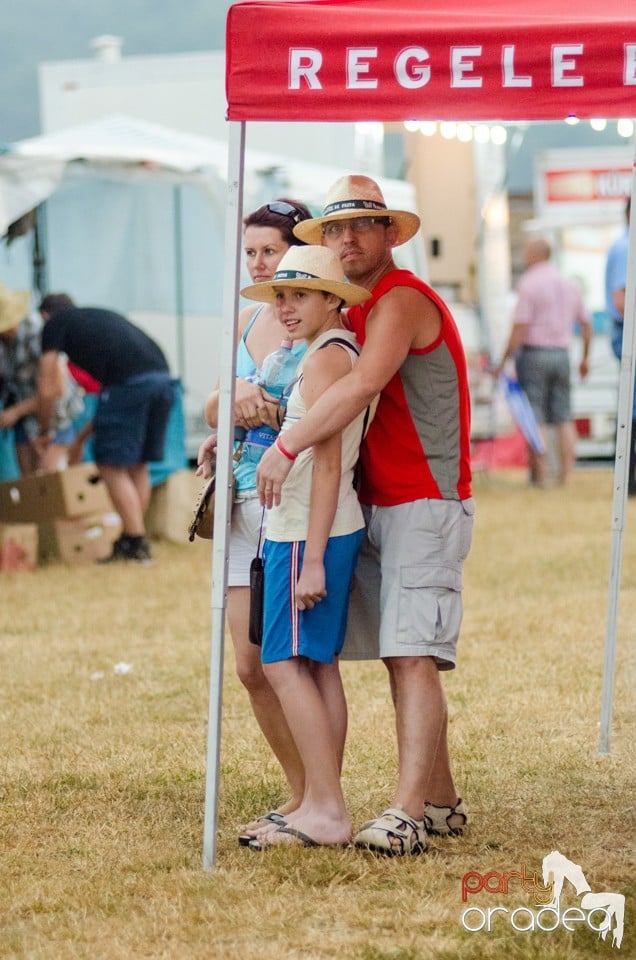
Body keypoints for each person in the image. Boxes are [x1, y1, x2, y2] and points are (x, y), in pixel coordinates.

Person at [256, 175, 474, 856]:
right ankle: (438, 802)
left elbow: (362, 384)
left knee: (412, 655)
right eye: (334, 229)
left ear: (389, 235)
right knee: (398, 656)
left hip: (423, 500)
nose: (347, 239)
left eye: (362, 226)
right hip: (373, 501)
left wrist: (287, 445)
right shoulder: (351, 311)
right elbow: (284, 354)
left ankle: (406, 813)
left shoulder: (401, 299)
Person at [240, 244, 373, 849]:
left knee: (281, 664)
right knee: (316, 667)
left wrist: (314, 558)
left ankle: (326, 809)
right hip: (301, 528)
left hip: (305, 532)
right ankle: (322, 801)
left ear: (330, 299)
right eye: (281, 296)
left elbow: (327, 466)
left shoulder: (327, 357)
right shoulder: (321, 352)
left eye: (299, 295)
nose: (286, 307)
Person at [197, 199, 312, 841]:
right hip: (240, 502)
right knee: (248, 664)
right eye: (251, 252)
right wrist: (232, 398)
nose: (260, 263)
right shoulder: (247, 320)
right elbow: (214, 397)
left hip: (294, 502)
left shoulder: (318, 317)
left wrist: (260, 405)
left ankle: (320, 794)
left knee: (290, 660)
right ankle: (301, 793)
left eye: (270, 251)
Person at [37, 293, 174, 564]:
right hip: (163, 381)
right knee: (138, 464)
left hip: (129, 385)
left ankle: (136, 542)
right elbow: (108, 407)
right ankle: (131, 537)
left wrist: (44, 431)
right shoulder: (95, 317)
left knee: (111, 465)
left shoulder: (55, 324)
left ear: (45, 316)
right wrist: (79, 439)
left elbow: (48, 387)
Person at [495, 236, 592, 487]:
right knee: (563, 417)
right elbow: (586, 323)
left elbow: (520, 327)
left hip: (534, 354)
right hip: (562, 354)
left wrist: (504, 359)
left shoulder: (529, 284)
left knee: (534, 415)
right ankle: (566, 477)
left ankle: (540, 476)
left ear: (535, 254)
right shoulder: (569, 283)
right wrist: (585, 357)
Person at [0, 283, 83, 474]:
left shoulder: (37, 332)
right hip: (26, 422)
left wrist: (18, 412)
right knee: (31, 487)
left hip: (55, 418)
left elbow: (54, 389)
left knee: (51, 481)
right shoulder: (5, 344)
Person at [605, 197, 636, 495]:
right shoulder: (627, 246)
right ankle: (629, 480)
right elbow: (622, 300)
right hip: (628, 334)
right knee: (632, 408)